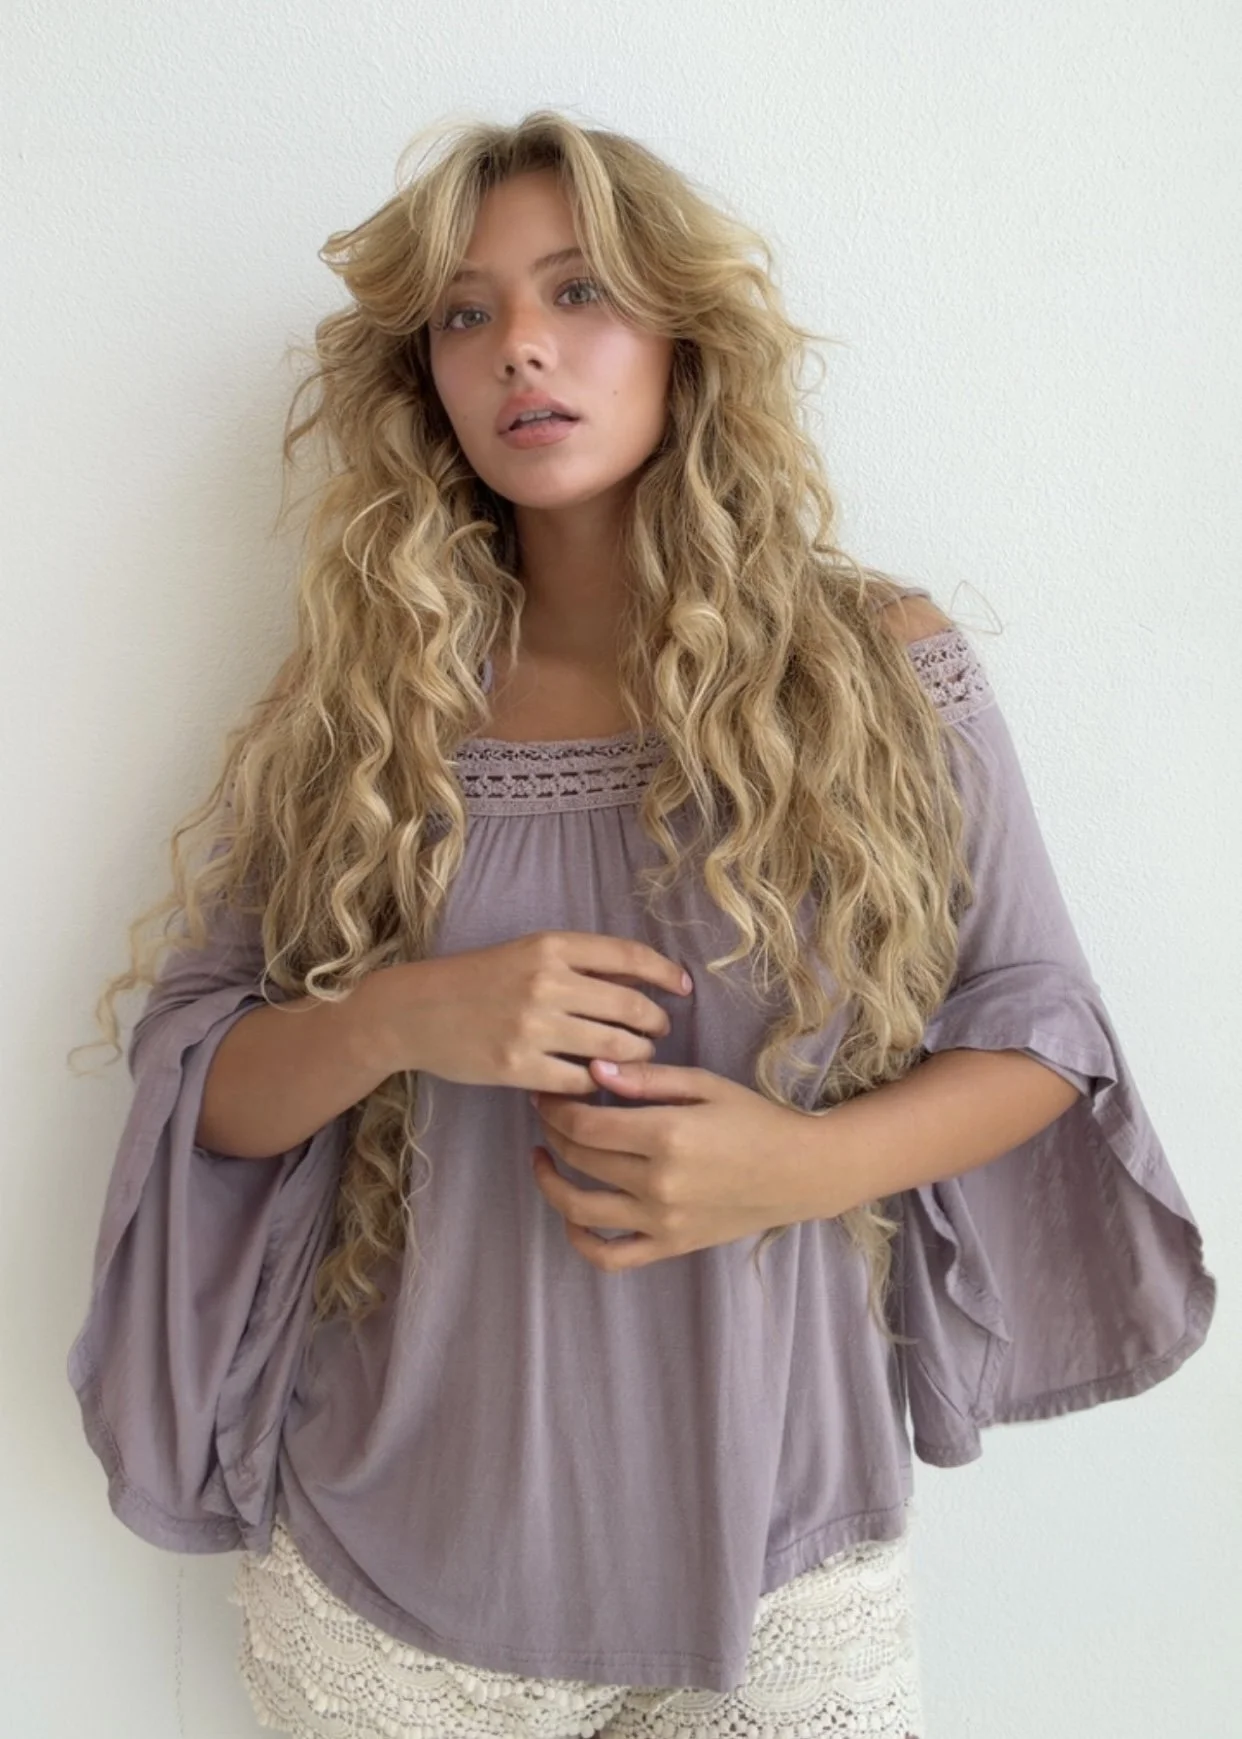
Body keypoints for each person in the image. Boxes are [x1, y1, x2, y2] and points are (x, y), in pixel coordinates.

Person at [65, 110, 1215, 1739]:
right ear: (424, 377)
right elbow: (203, 1086)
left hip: (785, 1548)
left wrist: (801, 1164)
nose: (519, 348)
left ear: (686, 331)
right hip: (403, 1585)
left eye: (579, 290)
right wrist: (405, 1014)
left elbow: (1042, 1029)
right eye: (463, 314)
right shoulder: (370, 703)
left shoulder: (876, 669)